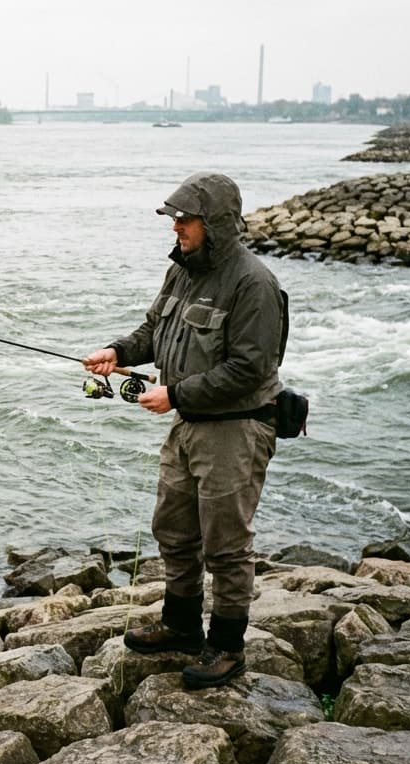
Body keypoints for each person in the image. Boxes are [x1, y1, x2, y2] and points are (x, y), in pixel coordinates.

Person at [83, 172, 285, 689]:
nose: (176, 227)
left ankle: (226, 647)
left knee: (226, 546)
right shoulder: (182, 271)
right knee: (174, 531)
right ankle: (180, 627)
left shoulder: (254, 283)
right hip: (187, 425)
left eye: (185, 218)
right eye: (174, 218)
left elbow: (250, 369)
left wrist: (175, 394)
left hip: (235, 431)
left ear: (215, 223)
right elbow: (154, 329)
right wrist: (118, 352)